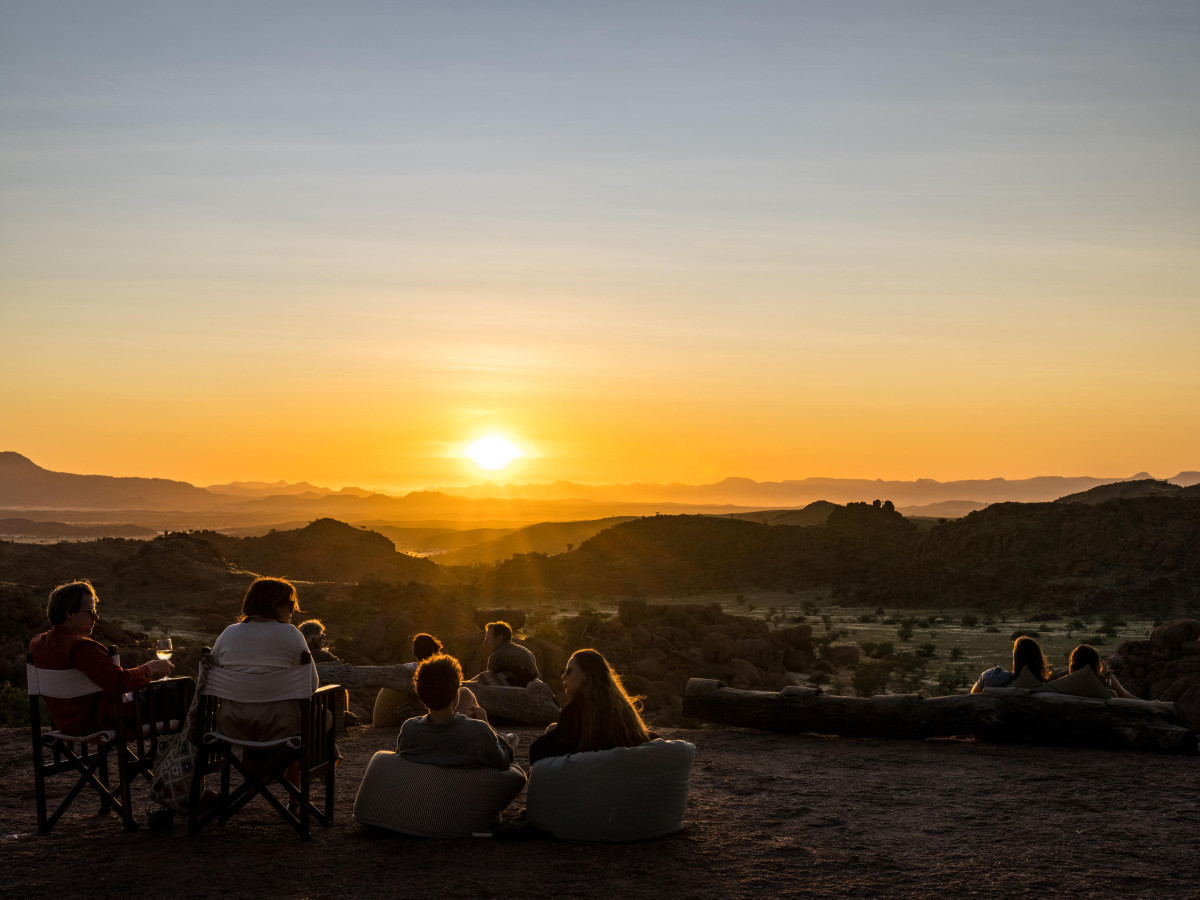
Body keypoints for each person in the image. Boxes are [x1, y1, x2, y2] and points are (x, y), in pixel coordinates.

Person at [29, 580, 174, 735]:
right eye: (90, 612)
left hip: (67, 723)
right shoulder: (81, 648)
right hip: (103, 720)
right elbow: (118, 681)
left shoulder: (38, 644)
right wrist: (151, 668)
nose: (96, 617)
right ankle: (184, 755)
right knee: (181, 689)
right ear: (69, 613)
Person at [210, 577, 317, 743]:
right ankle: (281, 767)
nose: (292, 610)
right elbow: (311, 685)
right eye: (289, 604)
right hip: (281, 726)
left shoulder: (228, 634)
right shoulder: (291, 634)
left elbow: (212, 676)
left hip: (232, 724)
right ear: (273, 604)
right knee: (325, 717)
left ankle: (259, 767)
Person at [529, 649, 653, 764]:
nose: (563, 677)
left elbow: (537, 752)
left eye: (568, 671)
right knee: (554, 728)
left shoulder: (577, 709)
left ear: (586, 674)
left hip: (593, 774)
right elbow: (644, 738)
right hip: (622, 769)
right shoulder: (621, 706)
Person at [397, 654, 516, 769]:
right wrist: (489, 727)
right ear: (456, 693)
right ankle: (504, 738)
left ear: (421, 696)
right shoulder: (479, 731)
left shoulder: (409, 729)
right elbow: (505, 761)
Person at [374, 633, 489, 726]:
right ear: (435, 652)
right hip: (392, 719)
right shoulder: (427, 673)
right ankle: (480, 725)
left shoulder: (406, 668)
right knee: (465, 693)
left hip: (380, 718)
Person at [1042, 644, 1139, 699]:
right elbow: (1129, 700)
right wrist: (1108, 677)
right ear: (1096, 666)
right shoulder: (1108, 694)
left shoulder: (1060, 686)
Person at [971, 635, 1051, 693]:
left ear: (1015, 657)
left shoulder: (993, 676)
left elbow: (973, 697)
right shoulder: (1045, 687)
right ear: (1039, 661)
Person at [474, 621, 539, 687]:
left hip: (516, 688)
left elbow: (490, 678)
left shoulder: (496, 656)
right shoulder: (525, 650)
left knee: (484, 676)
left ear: (499, 638)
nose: (484, 643)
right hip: (531, 685)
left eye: (488, 639)